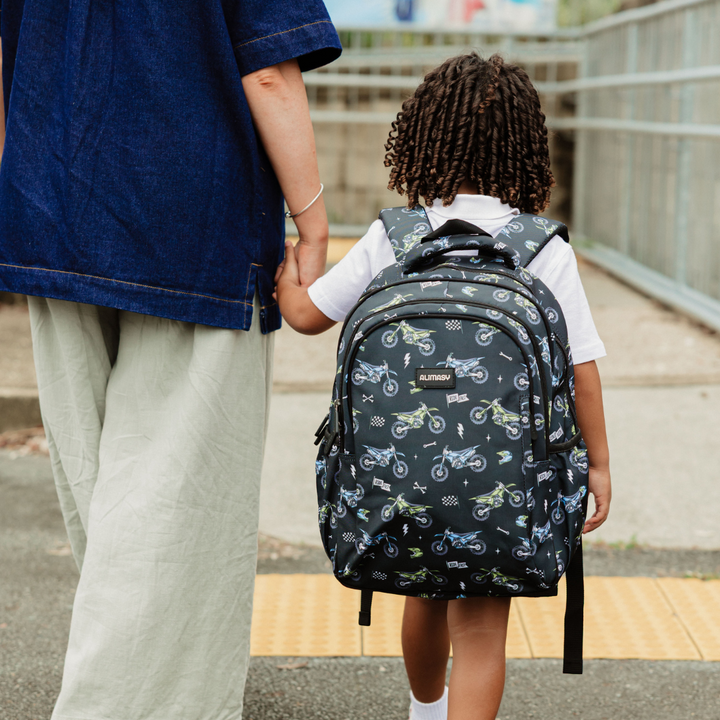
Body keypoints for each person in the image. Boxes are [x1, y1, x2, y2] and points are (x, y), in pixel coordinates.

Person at [0, 2, 340, 719]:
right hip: (197, 225)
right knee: (173, 507)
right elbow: (270, 73)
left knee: (106, 498)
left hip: (48, 208)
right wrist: (312, 222)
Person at [276, 53, 612, 720]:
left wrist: (292, 272)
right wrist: (598, 464)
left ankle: (423, 713)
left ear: (423, 139)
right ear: (526, 149)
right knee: (482, 630)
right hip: (504, 483)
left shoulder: (393, 236)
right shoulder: (544, 248)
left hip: (401, 478)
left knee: (421, 596)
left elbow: (308, 316)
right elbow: (581, 371)